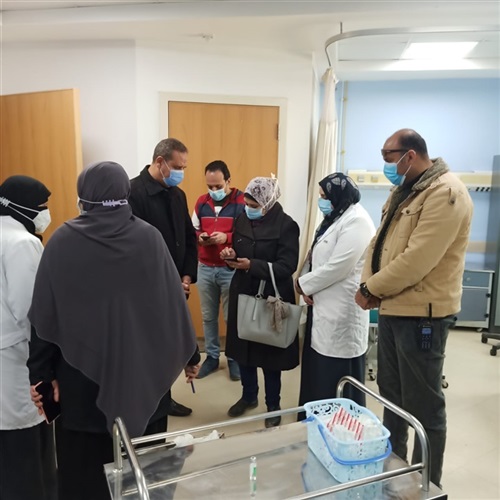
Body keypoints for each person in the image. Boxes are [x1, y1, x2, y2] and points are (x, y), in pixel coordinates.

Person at [27, 162, 200, 500]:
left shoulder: (62, 242)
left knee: (85, 479)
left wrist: (41, 375)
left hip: (82, 389)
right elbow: (172, 308)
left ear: (83, 196)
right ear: (125, 193)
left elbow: (45, 317)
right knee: (142, 476)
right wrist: (190, 356)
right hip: (144, 380)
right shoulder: (149, 238)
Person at [355, 129, 473, 487]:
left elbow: (416, 260)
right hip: (393, 307)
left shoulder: (446, 194)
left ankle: (426, 486)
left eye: (388, 157)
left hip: (423, 315)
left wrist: (372, 288)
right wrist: (369, 285)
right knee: (393, 399)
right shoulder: (405, 190)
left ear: (410, 155)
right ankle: (395, 477)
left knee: (424, 406)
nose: (385, 165)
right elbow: (378, 243)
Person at [221, 177, 300, 428]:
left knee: (269, 354)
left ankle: (273, 405)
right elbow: (238, 251)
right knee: (243, 350)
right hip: (243, 291)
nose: (248, 208)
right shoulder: (242, 219)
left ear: (267, 203)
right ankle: (248, 396)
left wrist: (252, 265)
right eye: (246, 203)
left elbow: (287, 266)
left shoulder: (287, 226)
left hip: (270, 297)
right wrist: (230, 256)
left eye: (253, 205)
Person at [296, 173, 375, 417]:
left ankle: (338, 426)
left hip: (342, 310)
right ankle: (314, 419)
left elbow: (338, 267)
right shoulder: (334, 218)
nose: (322, 201)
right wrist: (307, 285)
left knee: (337, 374)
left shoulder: (358, 221)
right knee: (318, 370)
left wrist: (304, 285)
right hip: (321, 303)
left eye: (324, 196)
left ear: (339, 195)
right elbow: (315, 254)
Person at [129, 138, 198, 418]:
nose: (181, 173)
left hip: (177, 285)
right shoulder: (133, 193)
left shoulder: (177, 194)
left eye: (184, 168)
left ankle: (165, 399)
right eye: (178, 167)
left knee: (169, 346)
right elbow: (134, 251)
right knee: (150, 350)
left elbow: (189, 237)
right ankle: (150, 404)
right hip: (148, 290)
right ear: (160, 162)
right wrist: (167, 282)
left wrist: (187, 275)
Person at [0, 175, 57, 500]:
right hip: (15, 357)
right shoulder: (23, 243)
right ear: (22, 207)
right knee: (25, 438)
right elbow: (30, 310)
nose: (45, 213)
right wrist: (45, 363)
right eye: (42, 206)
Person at [192, 160, 246, 381]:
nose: (214, 190)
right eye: (210, 186)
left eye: (218, 186)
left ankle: (233, 358)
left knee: (231, 317)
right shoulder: (201, 202)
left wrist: (227, 237)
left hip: (230, 269)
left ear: (228, 181)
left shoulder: (241, 202)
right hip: (205, 267)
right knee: (208, 317)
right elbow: (193, 229)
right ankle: (212, 357)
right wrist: (201, 238)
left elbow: (247, 233)